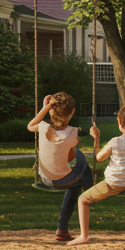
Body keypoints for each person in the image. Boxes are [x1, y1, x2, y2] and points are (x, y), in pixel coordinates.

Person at [67, 103, 125, 246]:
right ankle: (83, 235)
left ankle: (84, 236)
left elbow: (99, 157)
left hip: (113, 184)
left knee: (82, 200)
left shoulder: (115, 142)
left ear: (119, 123)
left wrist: (97, 138)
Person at [28, 92, 96, 241]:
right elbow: (71, 158)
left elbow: (30, 125)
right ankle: (91, 187)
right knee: (81, 157)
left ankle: (62, 230)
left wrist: (44, 108)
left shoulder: (42, 127)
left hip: (45, 179)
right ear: (72, 112)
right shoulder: (73, 133)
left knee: (75, 186)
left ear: (50, 111)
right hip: (63, 180)